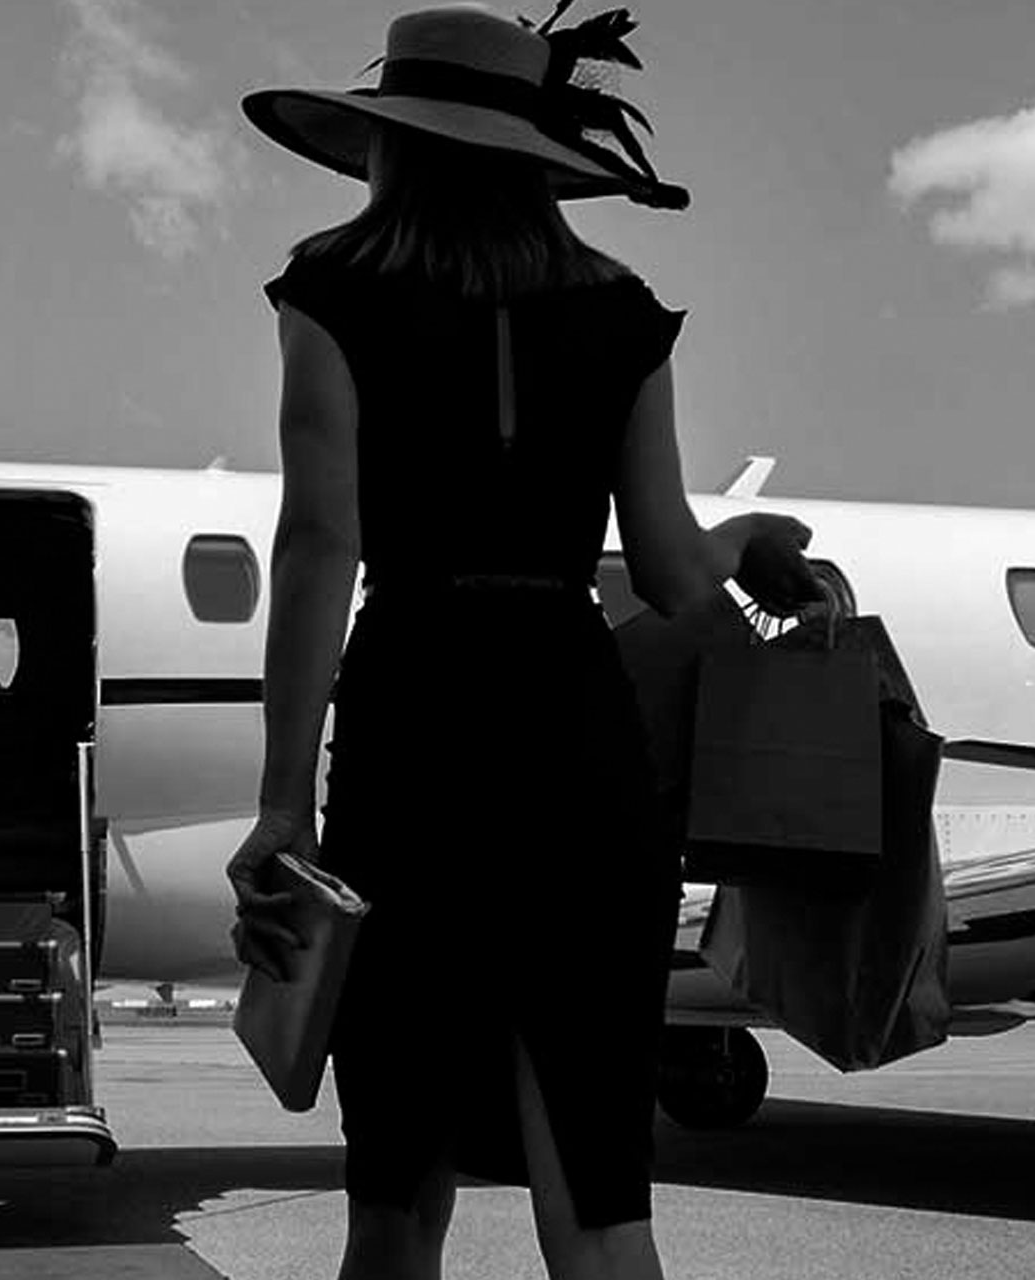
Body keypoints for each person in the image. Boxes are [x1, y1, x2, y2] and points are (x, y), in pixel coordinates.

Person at [228, 8, 824, 1280]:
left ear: (394, 142)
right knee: (601, 1198)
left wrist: (283, 802)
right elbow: (667, 570)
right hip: (578, 737)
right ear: (533, 157)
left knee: (395, 1194)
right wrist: (749, 537)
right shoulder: (621, 312)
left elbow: (319, 542)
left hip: (413, 725)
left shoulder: (330, 289)